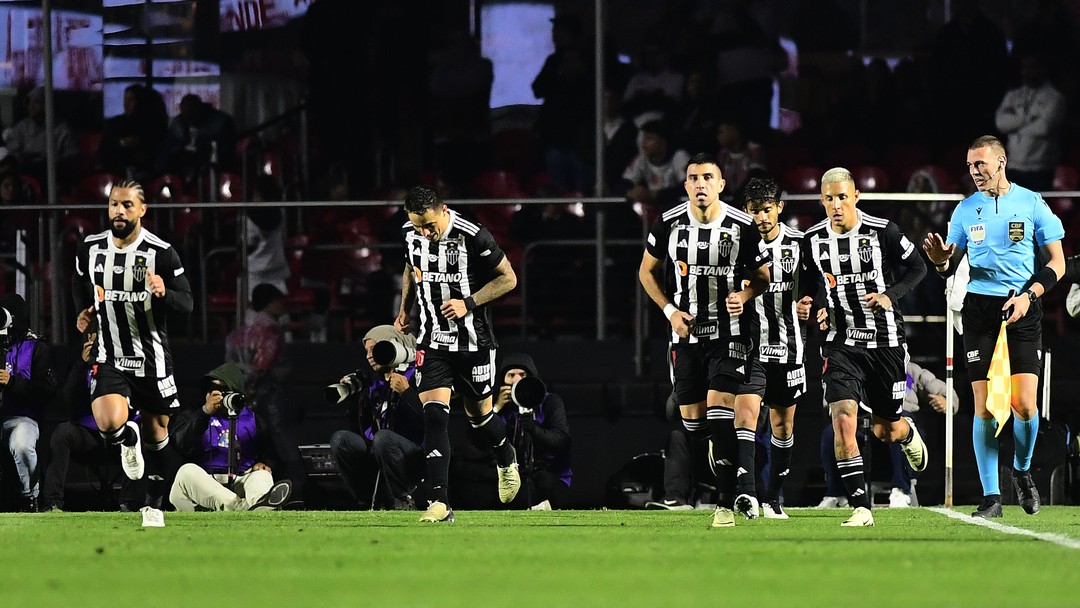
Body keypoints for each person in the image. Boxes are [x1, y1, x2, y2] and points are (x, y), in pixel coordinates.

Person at [923, 135, 1066, 518]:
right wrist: (939, 262)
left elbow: (1057, 263)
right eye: (970, 166)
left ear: (1001, 162)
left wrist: (1029, 296)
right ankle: (991, 498)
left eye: (981, 164)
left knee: (1023, 404)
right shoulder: (966, 210)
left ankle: (1021, 471)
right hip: (980, 310)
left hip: (1022, 304)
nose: (974, 172)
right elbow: (949, 263)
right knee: (983, 407)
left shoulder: (1032, 202)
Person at [638, 152, 771, 527]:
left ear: (721, 184)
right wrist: (670, 312)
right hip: (686, 336)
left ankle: (727, 503)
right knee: (694, 423)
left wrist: (744, 296)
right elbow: (646, 272)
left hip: (729, 334)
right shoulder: (667, 222)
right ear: (685, 185)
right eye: (694, 178)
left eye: (707, 177)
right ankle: (722, 447)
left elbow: (763, 276)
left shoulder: (742, 225)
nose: (701, 184)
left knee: (718, 410)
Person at [803, 167, 928, 527]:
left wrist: (890, 295)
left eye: (843, 197)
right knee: (843, 418)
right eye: (829, 199)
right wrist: (813, 304)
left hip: (885, 342)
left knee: (885, 429)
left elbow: (917, 267)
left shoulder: (882, 231)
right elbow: (810, 280)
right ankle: (861, 505)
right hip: (840, 343)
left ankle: (906, 432)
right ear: (822, 201)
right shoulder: (812, 239)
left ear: (856, 196)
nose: (836, 205)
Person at [394, 185, 520, 523]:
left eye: (430, 225)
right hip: (432, 342)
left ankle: (505, 453)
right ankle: (439, 501)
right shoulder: (411, 233)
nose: (425, 232)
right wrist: (404, 309)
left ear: (444, 210)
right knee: (435, 416)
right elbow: (411, 266)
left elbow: (508, 279)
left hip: (474, 342)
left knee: (480, 418)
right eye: (418, 226)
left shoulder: (473, 235)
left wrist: (469, 303)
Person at [72, 178, 193, 527]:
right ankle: (127, 436)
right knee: (108, 422)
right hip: (109, 354)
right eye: (113, 204)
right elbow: (79, 281)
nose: (119, 211)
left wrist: (164, 292)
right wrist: (85, 312)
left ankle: (153, 505)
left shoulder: (161, 252)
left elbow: (187, 303)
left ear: (142, 210)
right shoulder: (91, 248)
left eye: (127, 205)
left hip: (151, 358)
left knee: (158, 436)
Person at [742, 177, 812, 519]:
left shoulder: (800, 244)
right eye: (755, 211)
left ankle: (773, 498)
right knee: (747, 418)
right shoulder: (740, 244)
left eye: (767, 209)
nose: (762, 217)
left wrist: (809, 302)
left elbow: (817, 284)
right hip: (750, 348)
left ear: (780, 208)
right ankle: (745, 494)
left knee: (783, 426)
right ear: (746, 211)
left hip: (789, 348)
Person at [818, 361, 958, 509]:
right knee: (832, 433)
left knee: (897, 422)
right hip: (863, 426)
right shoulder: (854, 366)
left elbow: (945, 390)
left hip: (899, 424)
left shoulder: (910, 370)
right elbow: (831, 401)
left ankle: (900, 491)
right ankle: (836, 494)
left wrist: (947, 400)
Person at [452, 353, 571, 510]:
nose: (516, 380)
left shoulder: (549, 402)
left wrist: (533, 428)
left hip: (544, 473)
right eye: (511, 375)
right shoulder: (493, 403)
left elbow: (562, 442)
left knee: (542, 482)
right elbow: (475, 443)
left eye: (522, 375)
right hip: (506, 474)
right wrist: (495, 410)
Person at [168, 363, 292, 511]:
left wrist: (264, 464)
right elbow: (181, 445)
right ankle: (248, 509)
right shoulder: (192, 415)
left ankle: (258, 506)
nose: (215, 394)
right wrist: (205, 413)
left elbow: (272, 458)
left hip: (240, 482)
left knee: (262, 476)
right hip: (201, 488)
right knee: (186, 471)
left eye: (222, 390)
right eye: (210, 388)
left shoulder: (254, 421)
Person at [225, 283, 305, 504]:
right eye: (278, 300)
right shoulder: (269, 331)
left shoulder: (237, 332)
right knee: (282, 444)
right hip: (268, 397)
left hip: (243, 395)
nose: (283, 304)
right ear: (270, 303)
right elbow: (264, 365)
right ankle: (289, 491)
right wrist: (251, 390)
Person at [328, 325, 424, 510]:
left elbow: (432, 419)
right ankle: (366, 499)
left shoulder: (418, 375)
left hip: (413, 454)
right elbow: (361, 431)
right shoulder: (375, 386)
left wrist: (407, 393)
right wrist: (354, 398)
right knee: (341, 439)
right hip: (380, 451)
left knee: (384, 438)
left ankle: (403, 499)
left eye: (374, 349)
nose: (368, 356)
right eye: (366, 351)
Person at [0, 293, 58, 512]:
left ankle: (29, 499)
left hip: (23, 417)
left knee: (22, 446)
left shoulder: (36, 347)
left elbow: (48, 391)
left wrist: (12, 382)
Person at [993, 54, 1065, 193]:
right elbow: (1001, 124)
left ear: (1043, 69)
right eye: (1025, 67)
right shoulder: (1013, 95)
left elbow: (1043, 128)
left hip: (1040, 169)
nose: (1027, 71)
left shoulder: (1054, 97)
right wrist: (1030, 118)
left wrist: (1015, 121)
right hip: (1013, 167)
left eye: (1032, 67)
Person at [3, 87, 79, 190]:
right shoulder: (22, 127)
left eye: (37, 102)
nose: (31, 106)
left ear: (47, 104)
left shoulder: (62, 129)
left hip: (51, 171)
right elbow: (12, 151)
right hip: (25, 168)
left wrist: (51, 159)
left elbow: (71, 156)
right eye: (29, 102)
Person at [98, 84, 168, 181]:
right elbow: (103, 151)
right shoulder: (115, 124)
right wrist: (122, 144)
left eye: (131, 100)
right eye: (125, 99)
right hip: (117, 174)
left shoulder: (151, 126)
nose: (126, 104)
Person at [619, 120, 691, 209]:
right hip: (654, 211)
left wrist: (657, 195)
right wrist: (630, 192)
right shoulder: (642, 158)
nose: (644, 143)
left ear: (663, 142)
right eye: (644, 138)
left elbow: (688, 186)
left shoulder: (679, 156)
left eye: (650, 138)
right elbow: (624, 182)